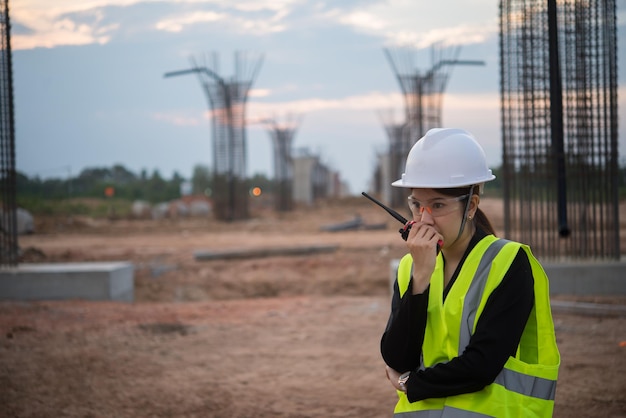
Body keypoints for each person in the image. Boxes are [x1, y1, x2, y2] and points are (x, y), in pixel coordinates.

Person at [380, 128, 560, 417]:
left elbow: (481, 365)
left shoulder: (508, 263)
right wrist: (420, 280)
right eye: (417, 205)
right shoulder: (411, 268)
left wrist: (411, 383)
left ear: (472, 206)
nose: (424, 219)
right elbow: (398, 356)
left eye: (437, 205)